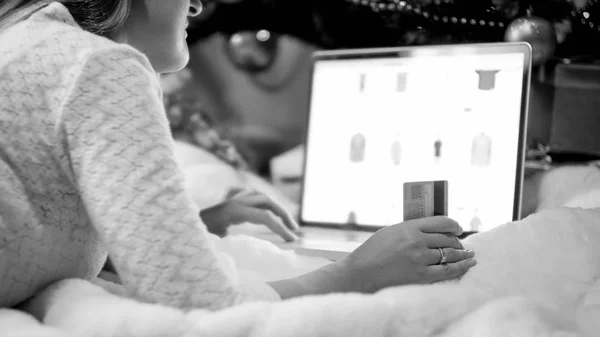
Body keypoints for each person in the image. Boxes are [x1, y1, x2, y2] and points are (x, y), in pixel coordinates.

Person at [0, 0, 476, 311]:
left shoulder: (25, 40)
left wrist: (182, 226)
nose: (199, 4)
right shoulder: (100, 65)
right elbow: (198, 302)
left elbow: (38, 218)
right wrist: (357, 272)